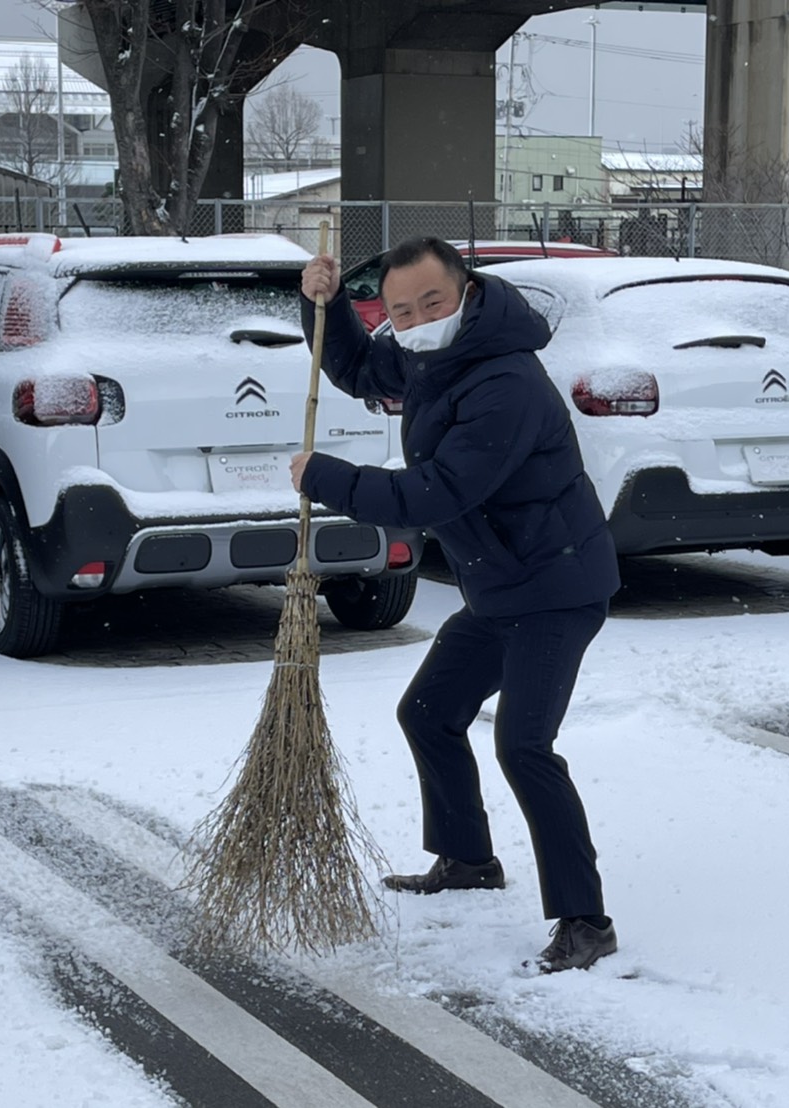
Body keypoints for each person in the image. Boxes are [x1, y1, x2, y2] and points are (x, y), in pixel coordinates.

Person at [291, 237, 622, 973]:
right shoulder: (428, 353)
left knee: (525, 746)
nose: (415, 320)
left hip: (557, 589)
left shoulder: (505, 383)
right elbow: (352, 366)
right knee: (429, 712)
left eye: (430, 303)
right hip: (503, 584)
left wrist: (330, 479)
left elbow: (436, 493)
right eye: (400, 310)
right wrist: (327, 303)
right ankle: (469, 860)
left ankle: (586, 920)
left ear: (466, 291)